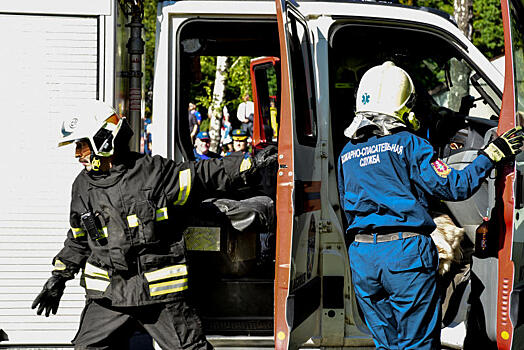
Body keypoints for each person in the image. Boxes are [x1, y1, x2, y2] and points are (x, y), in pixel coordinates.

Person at [31, 100, 277, 350]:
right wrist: (58, 278)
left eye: (81, 145)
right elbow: (79, 238)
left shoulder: (153, 172)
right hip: (110, 296)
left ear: (103, 139)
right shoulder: (83, 186)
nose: (77, 154)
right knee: (88, 348)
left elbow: (203, 175)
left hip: (158, 294)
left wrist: (247, 165)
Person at [337, 61, 523, 350]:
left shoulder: (347, 153)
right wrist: (491, 155)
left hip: (363, 256)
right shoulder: (409, 144)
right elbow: (455, 186)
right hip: (404, 257)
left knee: (386, 345)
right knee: (417, 345)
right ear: (404, 108)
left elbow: (350, 207)